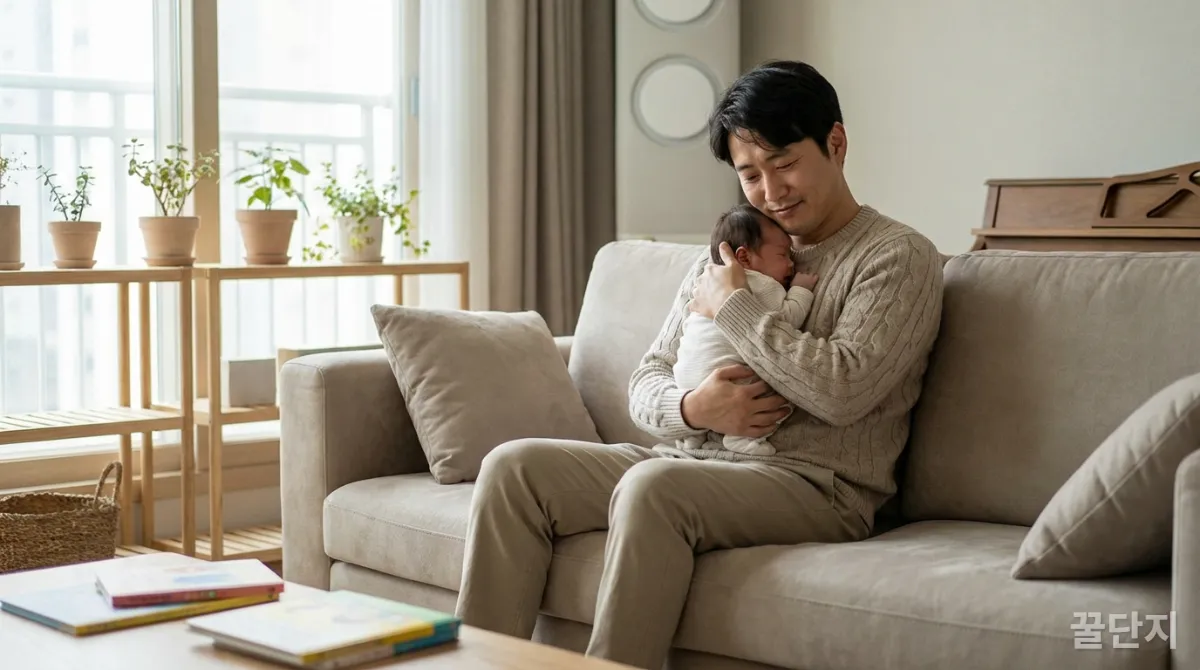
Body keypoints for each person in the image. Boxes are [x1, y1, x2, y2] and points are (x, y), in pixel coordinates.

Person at [454, 60, 944, 670]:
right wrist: (693, 408)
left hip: (818, 486)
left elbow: (842, 390)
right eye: (750, 174)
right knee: (514, 468)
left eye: (785, 163)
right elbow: (648, 377)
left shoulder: (898, 256)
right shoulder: (729, 251)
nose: (771, 191)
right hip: (693, 460)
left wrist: (735, 308)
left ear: (836, 144)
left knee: (654, 488)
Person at [672, 202, 819, 456]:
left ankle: (692, 438)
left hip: (685, 377)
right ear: (744, 258)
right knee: (772, 392)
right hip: (727, 375)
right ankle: (741, 439)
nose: (791, 264)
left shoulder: (707, 281)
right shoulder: (763, 284)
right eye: (783, 255)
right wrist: (801, 290)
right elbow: (787, 319)